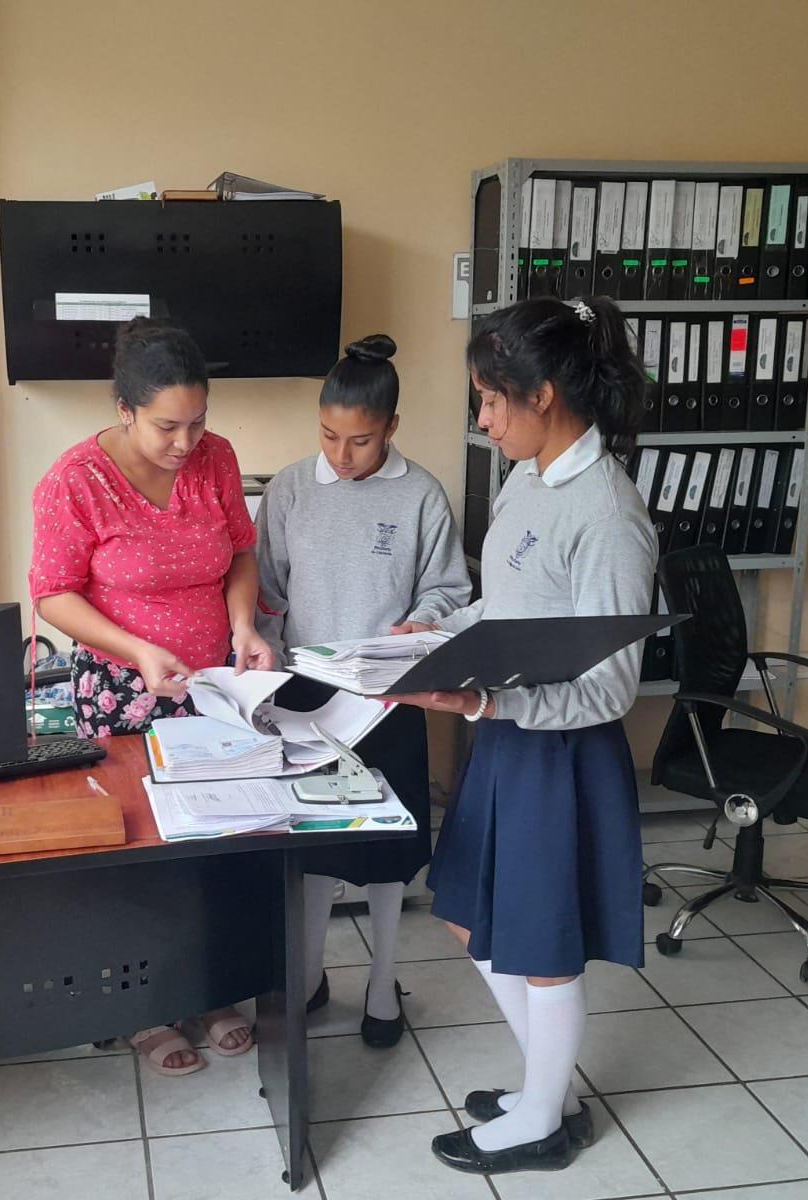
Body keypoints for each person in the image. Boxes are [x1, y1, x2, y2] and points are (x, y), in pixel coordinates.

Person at [394, 296, 655, 1175]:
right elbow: (504, 605)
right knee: (465, 913)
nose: (483, 419)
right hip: (505, 737)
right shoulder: (527, 478)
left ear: (542, 395)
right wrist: (436, 633)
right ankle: (554, 1090)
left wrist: (483, 708)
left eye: (491, 399)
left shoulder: (608, 514)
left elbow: (610, 686)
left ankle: (543, 1118)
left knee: (544, 945)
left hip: (561, 752)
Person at [28, 317, 275, 1078]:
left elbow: (240, 551)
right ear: (124, 408)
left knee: (213, 848)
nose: (185, 441)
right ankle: (142, 1006)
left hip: (210, 688)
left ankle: (208, 991)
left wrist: (243, 626)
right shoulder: (75, 481)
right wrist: (135, 650)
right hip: (121, 694)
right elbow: (53, 594)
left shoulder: (215, 458)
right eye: (168, 426)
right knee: (140, 854)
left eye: (197, 422)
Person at [254, 334, 471, 1047]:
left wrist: (424, 622)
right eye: (328, 435)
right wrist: (268, 668)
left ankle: (383, 983)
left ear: (392, 428)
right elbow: (267, 591)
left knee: (385, 849)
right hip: (306, 695)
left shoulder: (420, 494)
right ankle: (311, 973)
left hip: (389, 697)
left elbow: (447, 588)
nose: (341, 455)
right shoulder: (290, 489)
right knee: (315, 842)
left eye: (360, 440)